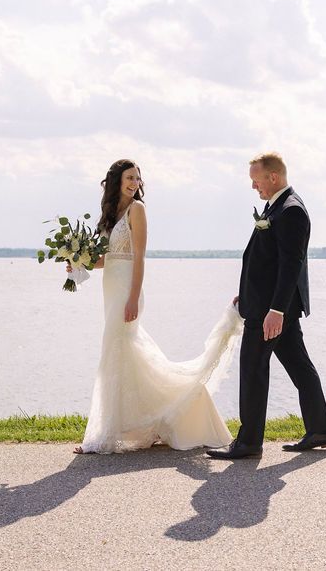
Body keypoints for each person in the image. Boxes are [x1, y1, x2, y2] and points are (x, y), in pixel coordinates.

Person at [73, 159, 240, 454]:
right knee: (122, 353)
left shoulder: (138, 210)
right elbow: (104, 260)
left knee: (116, 349)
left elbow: (138, 257)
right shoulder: (110, 214)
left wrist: (134, 297)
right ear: (115, 181)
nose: (134, 182)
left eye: (137, 178)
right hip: (111, 288)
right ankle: (143, 422)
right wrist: (76, 260)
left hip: (128, 289)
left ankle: (107, 434)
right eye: (128, 177)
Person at [207, 152, 326, 459]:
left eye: (256, 180)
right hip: (268, 305)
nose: (254, 186)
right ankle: (320, 429)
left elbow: (291, 265)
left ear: (273, 177)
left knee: (252, 367)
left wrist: (275, 310)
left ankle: (249, 442)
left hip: (272, 311)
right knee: (299, 365)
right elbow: (266, 261)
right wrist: (246, 293)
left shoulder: (291, 211)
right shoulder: (276, 206)